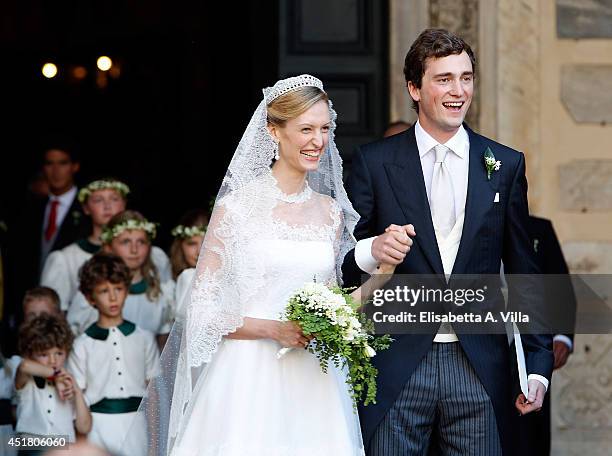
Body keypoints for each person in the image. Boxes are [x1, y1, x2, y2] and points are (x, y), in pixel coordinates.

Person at [137, 75, 396, 456]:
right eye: (306, 129)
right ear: (274, 131)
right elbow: (202, 312)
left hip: (316, 384)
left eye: (325, 129)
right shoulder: (236, 208)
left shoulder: (329, 212)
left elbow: (334, 307)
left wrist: (384, 273)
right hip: (248, 380)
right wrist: (275, 329)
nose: (318, 141)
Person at [341, 28, 553, 455]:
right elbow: (341, 262)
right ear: (414, 88)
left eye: (466, 78)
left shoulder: (505, 164)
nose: (458, 91)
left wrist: (537, 365)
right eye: (444, 79)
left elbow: (523, 273)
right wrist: (372, 250)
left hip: (480, 364)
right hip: (395, 360)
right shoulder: (374, 162)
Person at [67, 253, 159, 456]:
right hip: (98, 426)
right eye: (103, 291)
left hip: (137, 424)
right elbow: (77, 396)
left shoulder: (143, 337)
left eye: (118, 289)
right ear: (91, 298)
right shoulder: (83, 344)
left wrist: (154, 439)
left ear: (126, 290)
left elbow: (152, 391)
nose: (112, 297)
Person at [7, 137, 88, 329]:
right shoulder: (30, 207)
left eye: (62, 163)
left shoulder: (87, 209)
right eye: (50, 164)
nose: (56, 171)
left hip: (70, 311)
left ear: (75, 167)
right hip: (28, 312)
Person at [67, 211, 174, 347]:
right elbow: (74, 338)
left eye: (141, 242)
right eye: (125, 242)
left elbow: (163, 343)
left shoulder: (160, 293)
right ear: (108, 247)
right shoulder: (92, 293)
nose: (134, 250)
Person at [517, 215, 576, 456]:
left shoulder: (539, 229)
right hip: (483, 343)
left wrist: (562, 337)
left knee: (531, 436)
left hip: (531, 347)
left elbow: (560, 287)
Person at [14, 313, 91, 447]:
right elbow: (24, 366)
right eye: (44, 354)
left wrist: (77, 392)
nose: (53, 360)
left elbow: (84, 428)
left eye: (59, 353)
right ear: (30, 353)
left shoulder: (70, 382)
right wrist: (57, 375)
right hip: (31, 445)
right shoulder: (27, 380)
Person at [169, 209, 208, 319]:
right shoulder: (186, 277)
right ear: (180, 246)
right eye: (192, 244)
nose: (200, 251)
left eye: (207, 242)